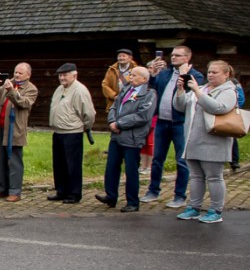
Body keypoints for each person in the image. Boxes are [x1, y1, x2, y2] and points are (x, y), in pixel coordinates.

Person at [173, 61, 238, 223]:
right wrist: (180, 91)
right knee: (195, 176)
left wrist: (196, 92)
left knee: (214, 177)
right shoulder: (201, 88)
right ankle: (194, 207)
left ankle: (216, 210)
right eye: (209, 72)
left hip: (214, 142)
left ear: (226, 74)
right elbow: (180, 107)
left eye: (215, 72)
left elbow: (218, 108)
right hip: (193, 140)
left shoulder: (229, 91)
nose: (210, 75)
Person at [143, 46, 205, 209]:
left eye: (178, 55)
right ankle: (153, 191)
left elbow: (193, 92)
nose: (173, 58)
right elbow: (153, 87)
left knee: (181, 160)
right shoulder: (166, 73)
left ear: (187, 58)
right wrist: (153, 75)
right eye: (172, 55)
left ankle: (179, 195)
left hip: (180, 123)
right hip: (163, 122)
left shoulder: (196, 75)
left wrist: (184, 74)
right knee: (157, 159)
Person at [96, 67, 157, 212]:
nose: (131, 77)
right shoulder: (126, 90)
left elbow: (143, 116)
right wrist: (112, 122)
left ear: (144, 79)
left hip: (133, 138)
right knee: (111, 167)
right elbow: (114, 107)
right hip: (116, 136)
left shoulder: (149, 94)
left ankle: (132, 201)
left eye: (135, 75)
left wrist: (120, 123)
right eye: (131, 74)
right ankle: (111, 196)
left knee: (131, 171)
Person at [0, 63, 38, 202]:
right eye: (15, 72)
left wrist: (11, 91)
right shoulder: (10, 83)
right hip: (0, 127)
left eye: (20, 73)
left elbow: (24, 103)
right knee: (1, 160)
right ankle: (3, 189)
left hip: (15, 130)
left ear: (28, 75)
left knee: (14, 161)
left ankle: (15, 191)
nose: (17, 75)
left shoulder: (31, 89)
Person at [47, 63, 95, 203]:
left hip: (72, 132)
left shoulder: (80, 90)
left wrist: (86, 126)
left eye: (65, 75)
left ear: (74, 75)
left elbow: (89, 113)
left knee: (72, 165)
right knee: (59, 164)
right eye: (60, 75)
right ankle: (61, 190)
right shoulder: (59, 89)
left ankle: (74, 193)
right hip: (58, 131)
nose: (62, 78)